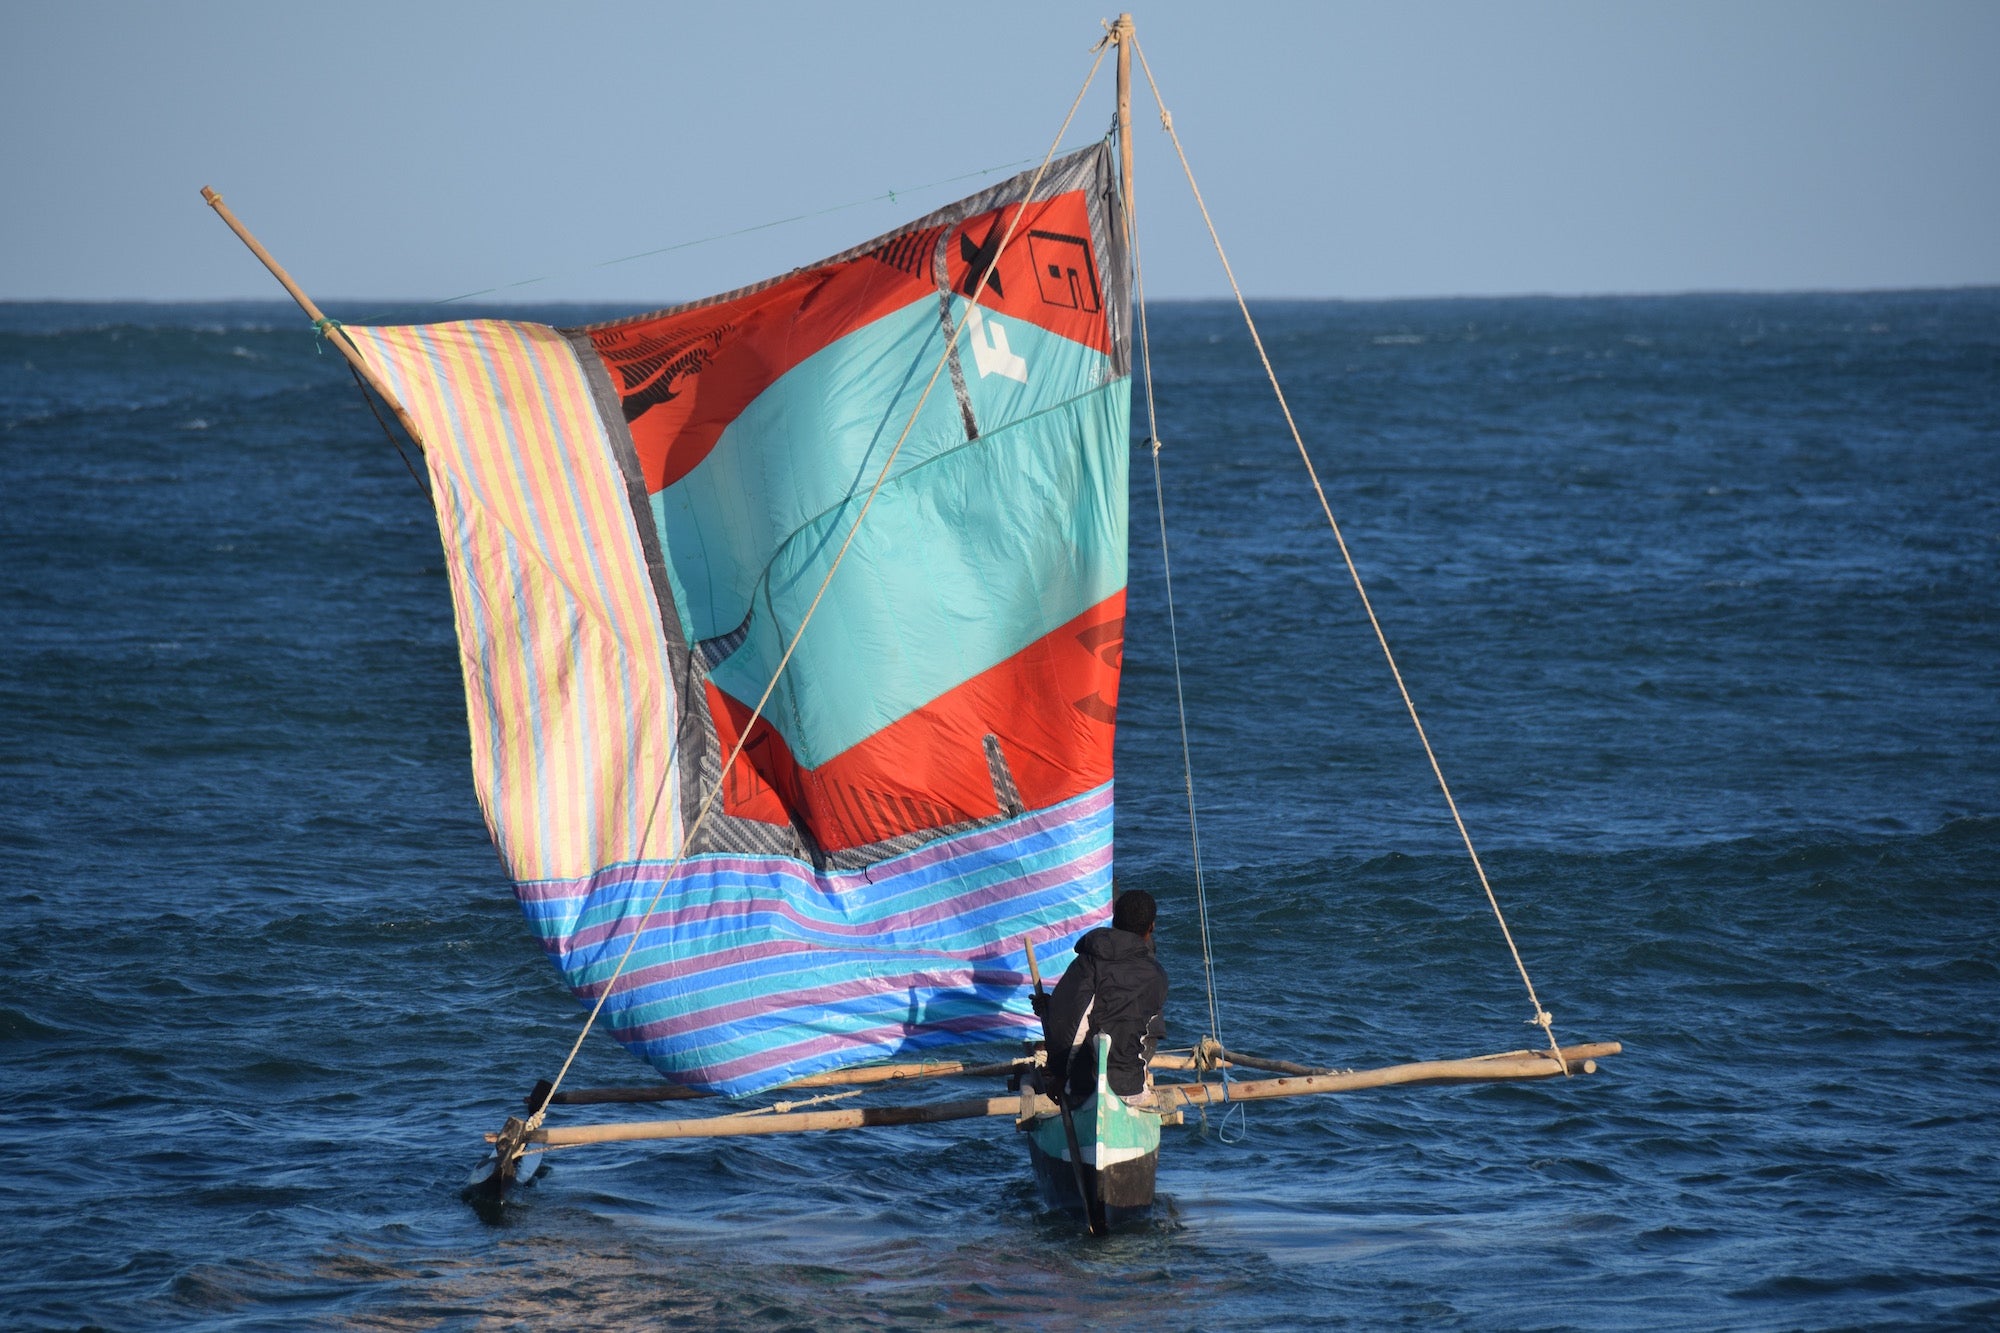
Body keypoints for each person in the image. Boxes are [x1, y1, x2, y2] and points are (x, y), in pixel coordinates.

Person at [1036, 888, 1168, 1106]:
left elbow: (1069, 1026)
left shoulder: (1089, 963)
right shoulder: (1157, 976)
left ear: (1114, 919)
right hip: (1131, 1088)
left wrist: (1060, 1076)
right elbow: (1149, 1034)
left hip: (1083, 1086)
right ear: (1151, 927)